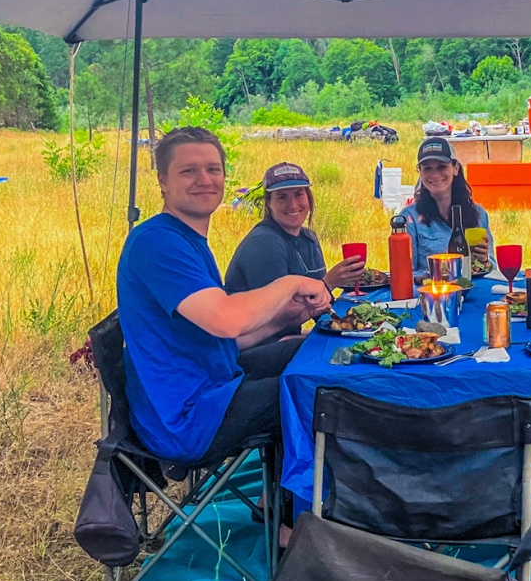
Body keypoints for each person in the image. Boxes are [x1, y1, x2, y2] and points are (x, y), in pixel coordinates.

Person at [117, 127, 331, 474]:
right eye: (188, 171)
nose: (204, 179)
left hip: (214, 383)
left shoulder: (187, 239)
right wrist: (292, 283)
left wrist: (287, 317)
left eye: (212, 169)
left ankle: (276, 504)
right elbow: (226, 320)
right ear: (163, 181)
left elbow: (223, 339)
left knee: (313, 352)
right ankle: (297, 524)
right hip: (186, 418)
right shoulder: (156, 242)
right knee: (320, 391)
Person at [225, 162, 364, 345]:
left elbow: (319, 310)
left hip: (285, 337)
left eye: (299, 194)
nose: (293, 204)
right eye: (282, 197)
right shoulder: (265, 242)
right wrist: (329, 283)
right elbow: (276, 317)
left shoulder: (309, 238)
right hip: (251, 346)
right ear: (268, 203)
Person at [399, 137, 494, 274]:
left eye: (442, 167)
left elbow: (493, 268)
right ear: (420, 172)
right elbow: (405, 273)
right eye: (427, 168)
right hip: (433, 292)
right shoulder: (409, 218)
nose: (435, 174)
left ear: (455, 168)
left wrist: (484, 260)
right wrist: (438, 273)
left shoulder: (478, 213)